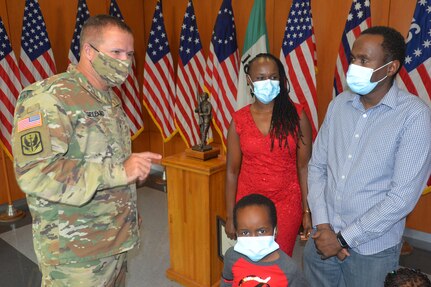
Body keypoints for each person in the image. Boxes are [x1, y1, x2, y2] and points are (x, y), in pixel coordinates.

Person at [11, 15, 162, 286]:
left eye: (129, 54)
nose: (124, 61)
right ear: (89, 51)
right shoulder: (47, 97)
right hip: (75, 257)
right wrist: (119, 171)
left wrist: (125, 206)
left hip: (114, 241)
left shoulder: (109, 98)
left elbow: (103, 162)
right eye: (116, 52)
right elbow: (35, 173)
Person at [304, 26, 431, 287]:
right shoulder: (339, 103)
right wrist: (324, 227)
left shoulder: (414, 116)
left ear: (391, 67)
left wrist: (342, 239)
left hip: (372, 250)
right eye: (353, 58)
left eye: (364, 60)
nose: (354, 65)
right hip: (322, 236)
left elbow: (401, 199)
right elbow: (317, 167)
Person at [225, 53, 313, 256]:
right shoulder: (239, 120)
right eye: (261, 78)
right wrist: (230, 215)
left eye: (273, 77)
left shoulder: (297, 117)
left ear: (281, 79)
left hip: (287, 202)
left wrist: (307, 210)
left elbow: (304, 167)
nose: (268, 82)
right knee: (250, 259)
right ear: (249, 80)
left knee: (278, 261)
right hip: (249, 204)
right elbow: (231, 171)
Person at [221, 193, 308, 287]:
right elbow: (227, 282)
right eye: (245, 233)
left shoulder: (289, 269)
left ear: (275, 230)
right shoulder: (231, 256)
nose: (253, 239)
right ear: (237, 232)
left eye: (261, 231)